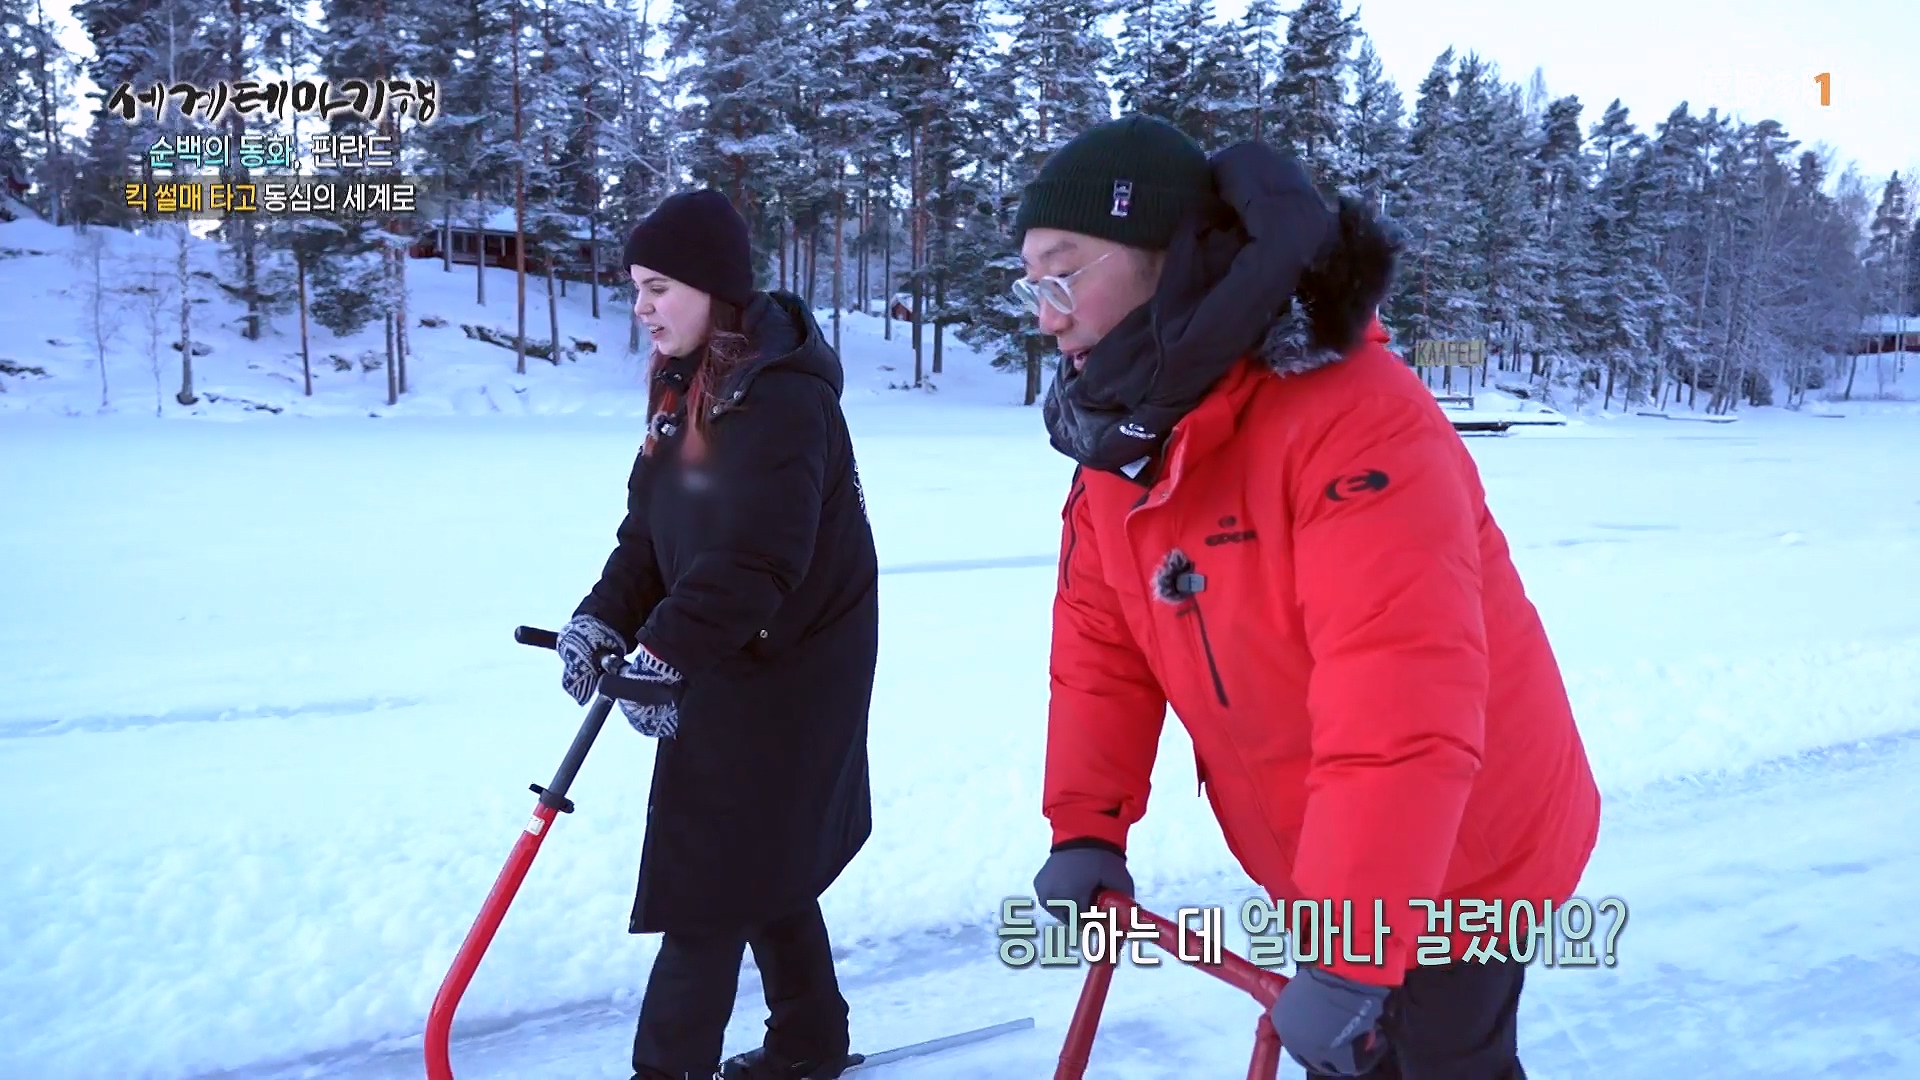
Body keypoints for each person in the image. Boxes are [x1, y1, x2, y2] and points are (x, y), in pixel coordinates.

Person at [1014, 115, 1601, 1079]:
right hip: (1334, 846)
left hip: (1467, 848)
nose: (1046, 313)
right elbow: (1100, 646)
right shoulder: (1123, 442)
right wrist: (1087, 824)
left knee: (1438, 1058)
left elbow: (1397, 701)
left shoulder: (1354, 422)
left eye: (1065, 273)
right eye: (1030, 282)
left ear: (1173, 259)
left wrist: (1352, 948)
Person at [555, 188, 878, 1080]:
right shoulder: (681, 387)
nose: (641, 306)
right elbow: (650, 534)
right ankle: (812, 1040)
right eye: (634, 288)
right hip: (727, 644)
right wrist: (604, 618)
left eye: (659, 286)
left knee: (711, 879)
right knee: (760, 858)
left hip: (799, 660)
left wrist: (664, 651)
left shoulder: (781, 397)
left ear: (713, 287)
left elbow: (761, 558)